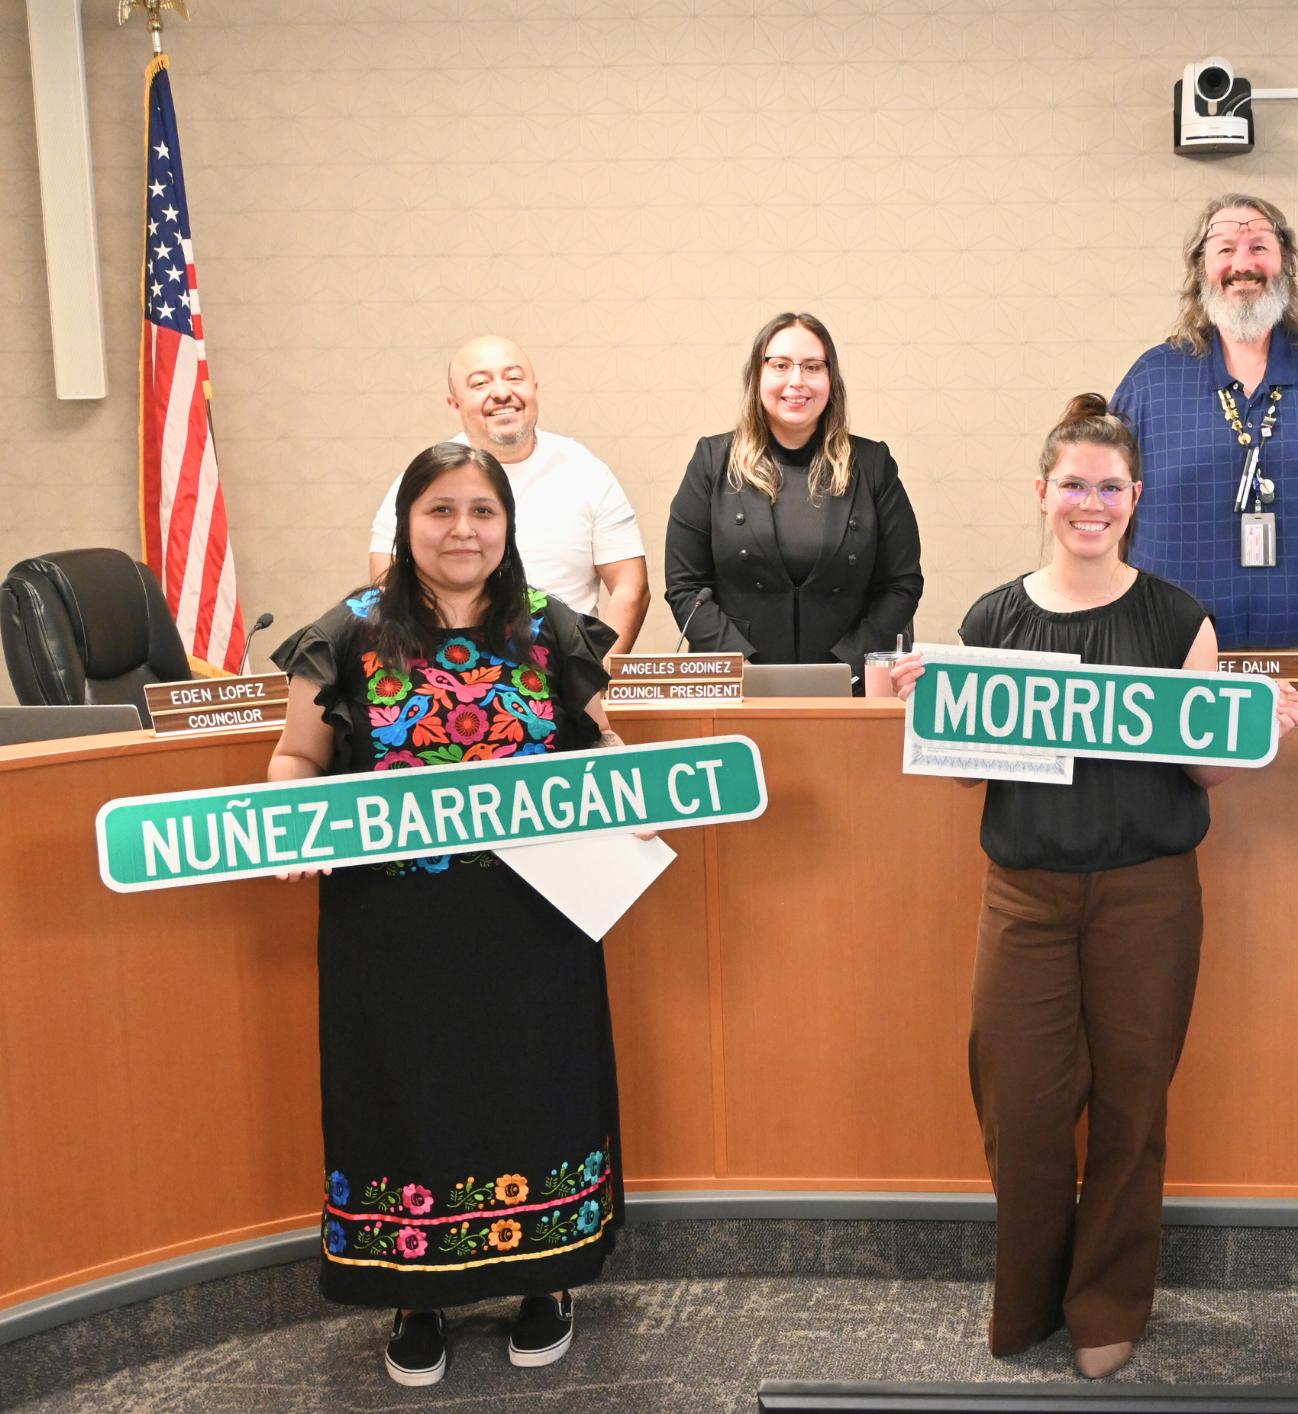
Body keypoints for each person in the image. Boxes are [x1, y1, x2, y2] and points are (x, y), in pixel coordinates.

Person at [892, 396, 1298, 1379]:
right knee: (1020, 1108)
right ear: (1041, 493)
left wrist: (1252, 726)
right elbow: (968, 771)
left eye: (1109, 488)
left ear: (1134, 500)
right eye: (1073, 485)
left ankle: (1107, 1301)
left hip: (1146, 896)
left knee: (1130, 1106)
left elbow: (1202, 772)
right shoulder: (991, 616)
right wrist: (925, 705)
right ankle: (1028, 1297)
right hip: (1024, 899)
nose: (1090, 503)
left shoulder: (1175, 616)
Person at [272, 442, 630, 1386]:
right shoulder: (347, 633)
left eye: (482, 511)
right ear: (406, 523)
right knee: (404, 1098)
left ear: (508, 527)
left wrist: (617, 790)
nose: (461, 531)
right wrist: (292, 830)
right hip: (390, 940)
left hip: (534, 928)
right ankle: (413, 1294)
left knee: (537, 1093)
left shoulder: (554, 630)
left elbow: (601, 749)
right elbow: (294, 761)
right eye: (440, 510)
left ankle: (545, 1282)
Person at [1113, 194, 1298, 695]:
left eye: (1259, 246)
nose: (1242, 264)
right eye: (1225, 249)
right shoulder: (1152, 379)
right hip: (1173, 656)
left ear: (1285, 265)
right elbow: (1110, 508)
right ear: (1201, 269)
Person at [665, 313, 922, 687]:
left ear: (831, 380)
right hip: (736, 686)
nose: (796, 381)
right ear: (757, 375)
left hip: (850, 686)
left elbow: (902, 584)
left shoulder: (872, 465)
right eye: (780, 365)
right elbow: (685, 586)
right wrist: (740, 669)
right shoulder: (712, 460)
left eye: (813, 367)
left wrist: (845, 669)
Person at [368, 336, 649, 654]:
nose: (502, 393)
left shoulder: (586, 471)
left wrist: (594, 677)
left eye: (514, 378)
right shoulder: (425, 478)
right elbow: (387, 581)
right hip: (451, 672)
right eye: (480, 383)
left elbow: (631, 587)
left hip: (565, 676)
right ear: (455, 404)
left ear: (535, 389)